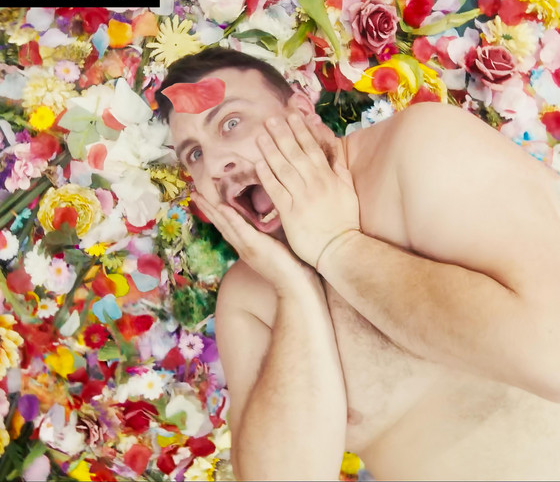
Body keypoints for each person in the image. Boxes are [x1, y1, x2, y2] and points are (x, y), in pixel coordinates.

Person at [154, 46, 560, 482]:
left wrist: (338, 247)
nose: (217, 164)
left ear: (302, 111)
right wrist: (295, 289)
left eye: (231, 123)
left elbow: (550, 354)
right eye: (194, 154)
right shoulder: (250, 297)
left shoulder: (418, 149)